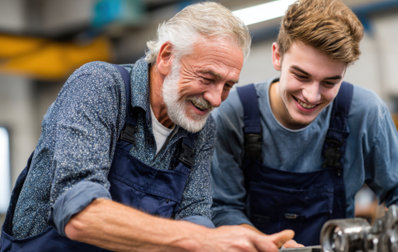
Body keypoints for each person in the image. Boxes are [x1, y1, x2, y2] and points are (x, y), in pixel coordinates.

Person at [0, 2, 294, 251]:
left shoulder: (200, 129)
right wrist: (204, 239)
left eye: (228, 85)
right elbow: (80, 215)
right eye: (207, 78)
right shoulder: (100, 87)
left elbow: (193, 215)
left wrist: (236, 242)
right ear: (166, 56)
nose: (216, 99)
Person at [210, 0, 398, 247]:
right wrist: (269, 245)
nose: (312, 96)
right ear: (277, 56)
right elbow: (223, 208)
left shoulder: (365, 113)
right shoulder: (233, 115)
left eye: (329, 83)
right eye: (301, 76)